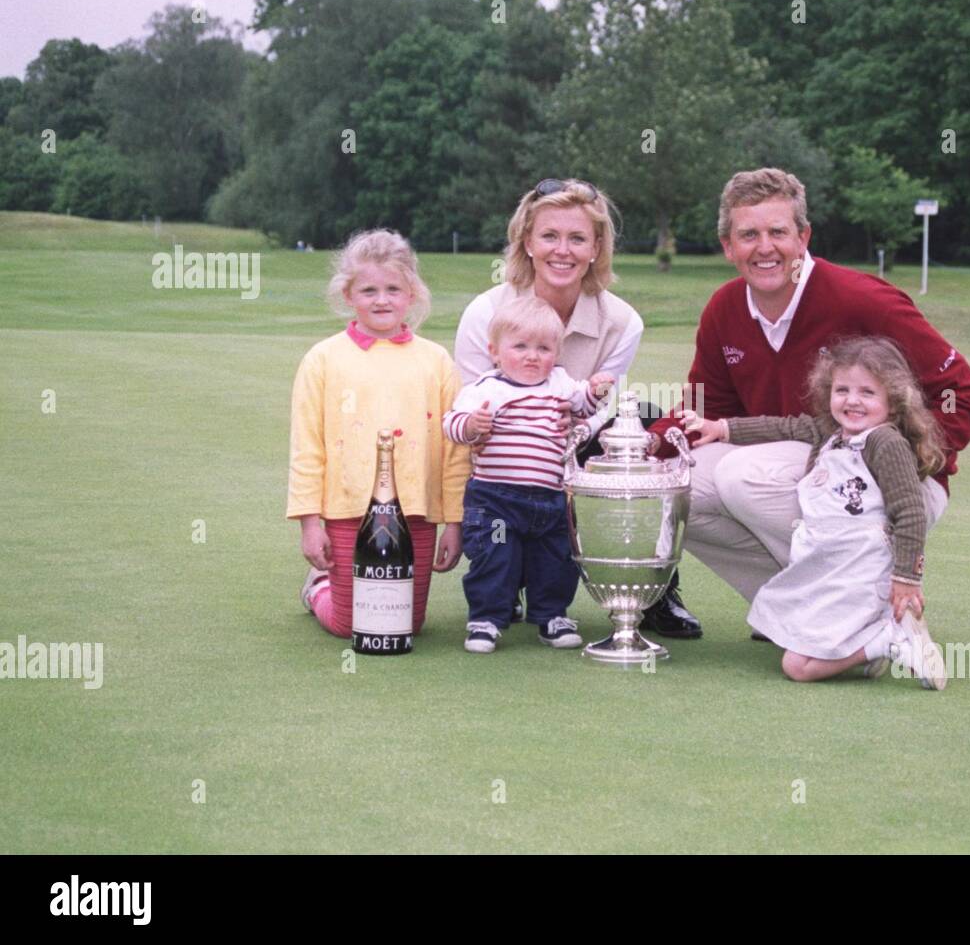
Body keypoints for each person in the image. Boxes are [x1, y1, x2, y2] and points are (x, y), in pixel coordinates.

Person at [647, 168, 970, 623]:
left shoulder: (862, 299)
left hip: (892, 483)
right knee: (671, 484)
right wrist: (653, 444)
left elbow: (962, 393)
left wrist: (899, 461)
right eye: (748, 234)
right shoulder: (724, 309)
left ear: (803, 237)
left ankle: (860, 605)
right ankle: (799, 614)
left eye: (778, 232)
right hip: (793, 470)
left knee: (739, 475)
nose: (764, 247)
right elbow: (707, 405)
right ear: (728, 246)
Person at [454, 178, 701, 639]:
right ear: (527, 242)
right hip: (500, 467)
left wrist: (566, 428)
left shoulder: (623, 322)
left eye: (577, 238)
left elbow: (591, 418)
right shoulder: (484, 313)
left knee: (643, 416)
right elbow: (471, 421)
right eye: (549, 236)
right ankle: (506, 576)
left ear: (597, 247)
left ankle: (650, 585)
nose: (562, 251)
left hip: (571, 448)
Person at [684, 337, 949, 688]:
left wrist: (906, 578)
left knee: (797, 666)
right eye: (842, 389)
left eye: (867, 393)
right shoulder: (832, 434)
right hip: (828, 563)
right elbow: (784, 427)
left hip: (860, 570)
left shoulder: (884, 443)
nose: (852, 400)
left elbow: (911, 512)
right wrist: (723, 429)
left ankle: (891, 639)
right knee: (789, 629)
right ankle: (870, 646)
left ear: (893, 400)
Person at [289, 229, 470, 638]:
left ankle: (344, 592)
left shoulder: (436, 361)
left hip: (417, 512)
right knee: (352, 625)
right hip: (346, 508)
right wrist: (309, 523)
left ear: (412, 293)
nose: (382, 300)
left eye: (393, 289)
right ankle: (318, 589)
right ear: (348, 294)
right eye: (368, 290)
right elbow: (307, 448)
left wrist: (454, 523)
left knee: (405, 624)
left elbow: (455, 451)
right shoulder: (322, 359)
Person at [444, 297, 615, 653]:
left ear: (557, 352)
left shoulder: (559, 382)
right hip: (496, 499)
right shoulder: (486, 388)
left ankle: (551, 615)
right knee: (496, 556)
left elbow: (583, 402)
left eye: (543, 348)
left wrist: (596, 389)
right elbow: (452, 424)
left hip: (550, 498)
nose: (532, 356)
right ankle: (486, 619)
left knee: (556, 558)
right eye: (519, 347)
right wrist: (473, 425)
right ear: (495, 351)